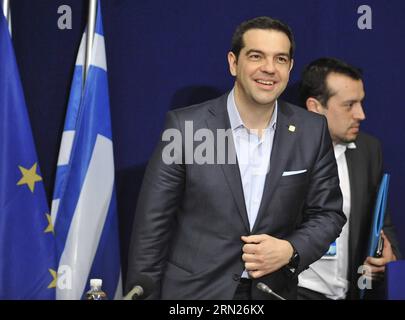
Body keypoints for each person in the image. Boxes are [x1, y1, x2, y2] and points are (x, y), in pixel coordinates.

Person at [126, 17, 346, 300]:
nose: (269, 68)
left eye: (280, 59)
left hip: (271, 292)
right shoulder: (186, 128)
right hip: (196, 295)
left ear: (290, 68)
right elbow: (151, 228)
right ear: (233, 63)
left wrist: (290, 249)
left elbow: (328, 214)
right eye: (256, 56)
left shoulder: (312, 130)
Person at [297, 57, 401, 300]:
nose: (361, 114)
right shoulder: (280, 152)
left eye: (361, 103)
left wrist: (390, 258)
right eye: (349, 105)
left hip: (350, 293)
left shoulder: (369, 150)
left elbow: (381, 221)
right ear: (315, 107)